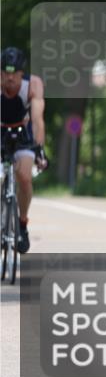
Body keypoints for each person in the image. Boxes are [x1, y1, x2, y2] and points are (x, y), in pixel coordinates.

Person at [0, 47, 48, 253]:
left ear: (22, 73)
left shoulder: (33, 85)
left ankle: (22, 224)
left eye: (14, 72)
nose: (9, 77)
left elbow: (37, 120)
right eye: (5, 72)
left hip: (22, 132)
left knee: (25, 177)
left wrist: (39, 149)